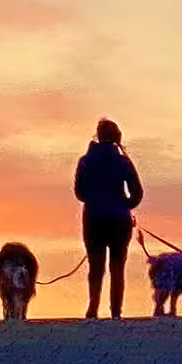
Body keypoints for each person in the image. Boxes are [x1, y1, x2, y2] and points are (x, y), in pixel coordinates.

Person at [73, 118, 144, 319]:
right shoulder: (123, 161)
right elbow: (137, 192)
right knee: (117, 266)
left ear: (98, 136)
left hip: (93, 219)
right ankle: (115, 312)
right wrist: (125, 205)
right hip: (119, 220)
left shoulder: (85, 161)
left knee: (95, 266)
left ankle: (93, 308)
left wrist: (95, 200)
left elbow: (80, 192)